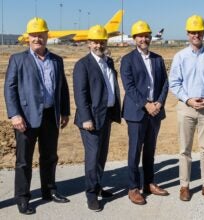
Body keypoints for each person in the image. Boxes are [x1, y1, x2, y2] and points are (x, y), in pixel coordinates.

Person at [4, 17, 71, 215]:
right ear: (28, 37)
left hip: (51, 115)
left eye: (41, 35)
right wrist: (15, 115)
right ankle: (23, 197)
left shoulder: (56, 60)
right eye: (34, 35)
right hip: (26, 117)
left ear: (47, 36)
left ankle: (49, 190)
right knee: (24, 160)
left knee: (50, 156)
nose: (37, 38)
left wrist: (65, 110)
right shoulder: (18, 59)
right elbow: (10, 88)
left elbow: (63, 88)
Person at [169, 14, 204, 202]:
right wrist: (188, 100)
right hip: (186, 108)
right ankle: (184, 186)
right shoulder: (180, 57)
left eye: (199, 31)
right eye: (192, 32)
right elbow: (174, 83)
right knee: (184, 149)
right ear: (187, 34)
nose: (196, 35)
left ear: (203, 32)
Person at [73, 25, 121, 211]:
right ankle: (91, 195)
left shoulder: (108, 62)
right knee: (93, 158)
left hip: (106, 116)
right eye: (95, 41)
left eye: (102, 41)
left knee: (101, 156)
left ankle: (98, 186)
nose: (99, 44)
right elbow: (80, 94)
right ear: (89, 43)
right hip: (90, 120)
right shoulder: (82, 65)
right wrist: (86, 118)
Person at [120, 20, 169, 205]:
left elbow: (165, 83)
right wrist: (145, 104)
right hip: (137, 113)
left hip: (155, 112)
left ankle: (149, 183)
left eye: (146, 36)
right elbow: (129, 87)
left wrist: (159, 102)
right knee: (134, 151)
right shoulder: (127, 60)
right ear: (134, 38)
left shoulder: (158, 58)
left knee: (150, 150)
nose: (144, 39)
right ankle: (133, 188)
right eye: (140, 36)